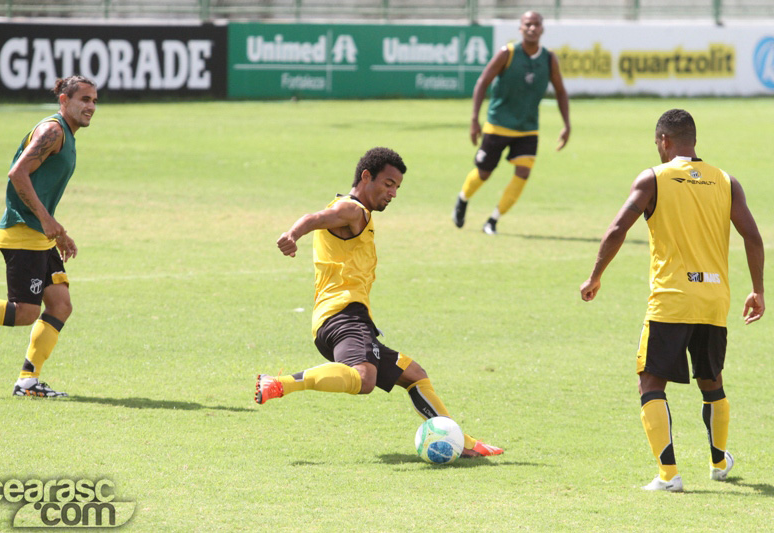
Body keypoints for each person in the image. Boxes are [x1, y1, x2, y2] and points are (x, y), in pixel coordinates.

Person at [257, 147, 503, 458]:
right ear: (365, 176)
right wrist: (293, 234)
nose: (393, 193)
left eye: (397, 187)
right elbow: (315, 218)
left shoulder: (358, 213)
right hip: (345, 316)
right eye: (388, 184)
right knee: (365, 378)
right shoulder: (352, 210)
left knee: (414, 374)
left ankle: (465, 444)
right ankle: (279, 383)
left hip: (338, 319)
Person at [580, 109, 765, 491]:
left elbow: (617, 228)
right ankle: (718, 461)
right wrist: (758, 290)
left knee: (650, 381)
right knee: (711, 380)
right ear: (692, 140)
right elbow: (753, 236)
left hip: (672, 298)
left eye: (657, 143)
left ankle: (668, 475)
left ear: (664, 140)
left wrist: (596, 275)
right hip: (714, 297)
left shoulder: (654, 178)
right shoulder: (727, 182)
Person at [0, 75, 98, 397]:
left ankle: (28, 381)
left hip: (39, 234)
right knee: (25, 312)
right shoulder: (53, 131)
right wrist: (46, 221)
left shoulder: (66, 135)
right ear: (63, 101)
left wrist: (57, 231)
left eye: (94, 101)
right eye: (84, 99)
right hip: (23, 233)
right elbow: (18, 173)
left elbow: (41, 188)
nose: (90, 107)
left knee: (60, 304)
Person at [453, 10, 570, 235]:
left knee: (523, 174)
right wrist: (474, 119)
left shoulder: (549, 58)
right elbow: (482, 82)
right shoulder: (507, 53)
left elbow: (561, 91)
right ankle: (463, 198)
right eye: (528, 24)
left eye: (536, 24)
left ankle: (493, 220)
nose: (532, 28)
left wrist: (566, 124)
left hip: (528, 128)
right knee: (484, 173)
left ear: (542, 29)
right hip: (498, 124)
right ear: (520, 28)